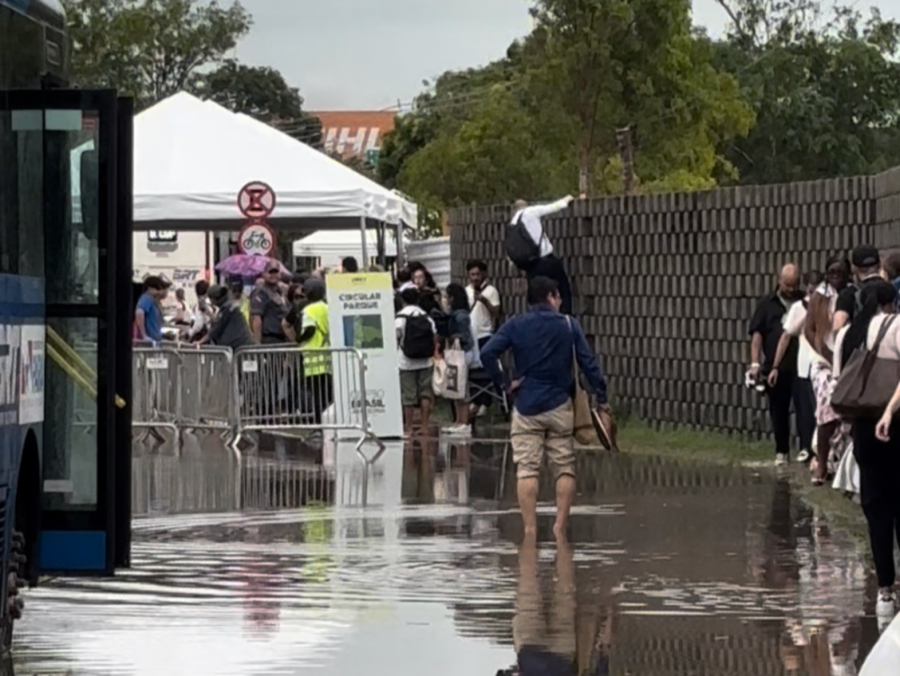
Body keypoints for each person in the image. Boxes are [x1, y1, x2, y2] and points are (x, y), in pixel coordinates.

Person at [480, 276, 608, 539]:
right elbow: (588, 363)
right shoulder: (568, 325)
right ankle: (559, 528)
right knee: (564, 466)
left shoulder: (515, 325)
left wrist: (504, 384)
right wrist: (602, 397)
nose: (560, 302)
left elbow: (487, 353)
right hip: (561, 406)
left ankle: (529, 530)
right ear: (551, 296)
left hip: (526, 407)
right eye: (558, 297)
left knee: (527, 468)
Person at [834, 281, 900, 619]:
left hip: (863, 428)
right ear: (892, 301)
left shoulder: (848, 335)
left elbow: (839, 381)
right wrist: (890, 410)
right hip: (894, 423)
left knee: (876, 509)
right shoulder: (896, 326)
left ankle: (885, 590)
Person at [748, 263, 804, 465]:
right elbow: (757, 335)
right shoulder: (767, 304)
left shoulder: (805, 301)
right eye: (787, 284)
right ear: (779, 280)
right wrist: (755, 363)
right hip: (775, 367)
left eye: (795, 284)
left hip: (801, 364)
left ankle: (806, 450)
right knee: (778, 409)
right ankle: (781, 451)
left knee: (803, 408)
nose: (791, 289)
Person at [768, 270, 823, 477]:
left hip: (823, 364)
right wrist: (775, 366)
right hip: (805, 366)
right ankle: (807, 448)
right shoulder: (800, 308)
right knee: (806, 410)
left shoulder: (830, 304)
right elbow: (786, 336)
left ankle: (818, 452)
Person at [805, 256, 853, 485]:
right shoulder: (819, 298)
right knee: (827, 405)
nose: (836, 276)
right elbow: (809, 329)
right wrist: (824, 352)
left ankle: (842, 464)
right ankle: (822, 462)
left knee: (847, 412)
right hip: (823, 362)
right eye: (831, 272)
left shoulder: (853, 294)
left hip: (848, 363)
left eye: (840, 272)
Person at [510, 196, 575, 315]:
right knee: (562, 291)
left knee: (538, 298)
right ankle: (564, 319)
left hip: (531, 269)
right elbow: (552, 207)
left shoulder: (512, 224)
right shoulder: (530, 212)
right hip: (546, 261)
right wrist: (566, 200)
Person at [396, 287, 438, 434]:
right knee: (425, 393)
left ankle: (408, 427)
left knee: (409, 396)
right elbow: (434, 336)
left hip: (406, 361)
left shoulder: (400, 317)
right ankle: (425, 425)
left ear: (403, 300)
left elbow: (396, 336)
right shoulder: (426, 317)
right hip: (426, 361)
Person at [297, 277, 332, 424]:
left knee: (317, 395)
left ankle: (319, 423)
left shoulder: (308, 310)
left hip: (312, 359)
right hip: (326, 357)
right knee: (327, 394)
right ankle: (329, 420)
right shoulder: (327, 308)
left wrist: (299, 339)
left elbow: (310, 329)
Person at [445, 282, 477, 434]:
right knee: (457, 389)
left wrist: (455, 337)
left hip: (463, 354)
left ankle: (464, 421)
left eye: (448, 296)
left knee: (462, 389)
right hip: (460, 353)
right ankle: (459, 420)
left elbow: (465, 337)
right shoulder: (458, 314)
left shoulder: (461, 316)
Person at [833, 244, 883, 334]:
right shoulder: (893, 289)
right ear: (879, 265)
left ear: (854, 268)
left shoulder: (848, 294)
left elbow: (838, 327)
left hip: (863, 346)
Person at [196, 284, 254, 350]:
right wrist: (209, 313)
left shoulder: (227, 308)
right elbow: (219, 321)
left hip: (239, 346)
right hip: (245, 345)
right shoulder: (231, 306)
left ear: (215, 299)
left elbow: (216, 329)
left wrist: (200, 341)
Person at [250, 262, 289, 344]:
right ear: (263, 274)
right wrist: (257, 343)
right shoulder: (261, 292)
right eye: (270, 272)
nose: (273, 275)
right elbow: (256, 319)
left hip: (282, 338)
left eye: (276, 272)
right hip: (269, 339)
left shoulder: (281, 291)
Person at [134, 276, 169, 343]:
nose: (159, 291)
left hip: (153, 338)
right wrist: (144, 335)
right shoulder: (147, 298)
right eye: (157, 288)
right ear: (150, 288)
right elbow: (139, 312)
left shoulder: (152, 300)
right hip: (150, 339)